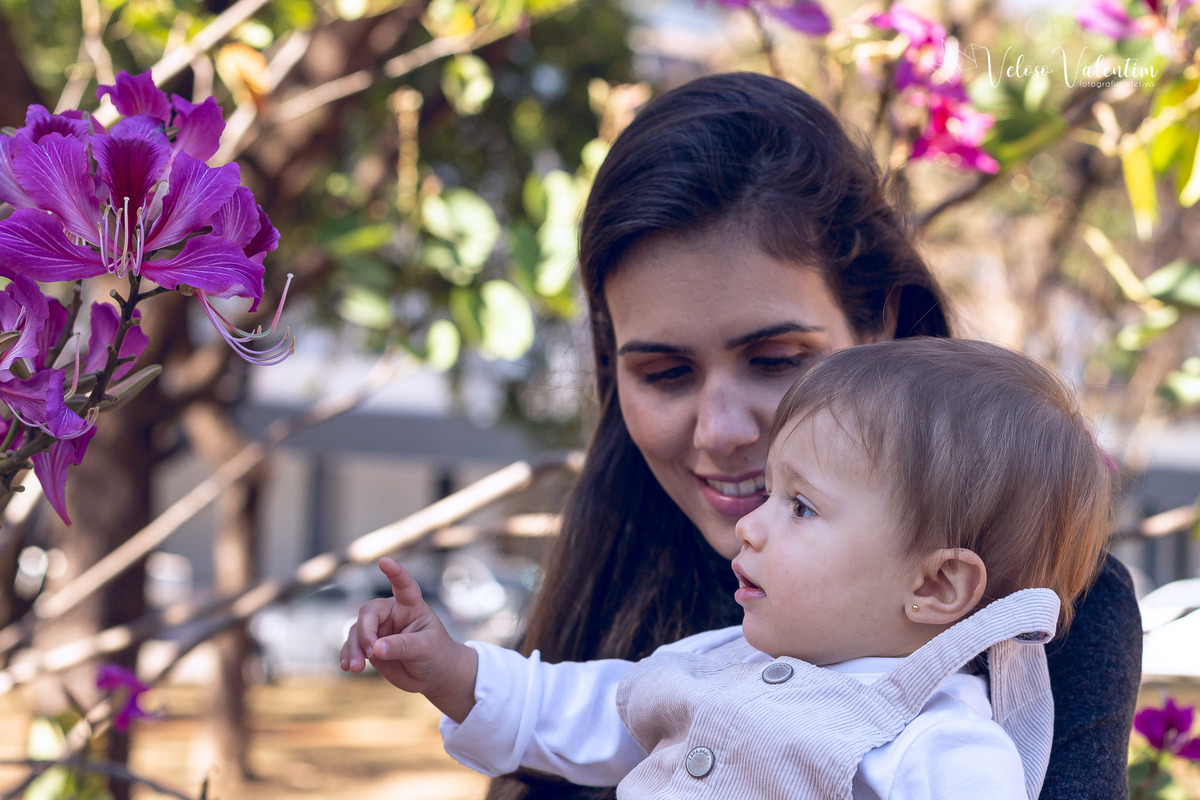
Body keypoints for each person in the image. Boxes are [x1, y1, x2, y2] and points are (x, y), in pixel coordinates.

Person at [340, 72, 1141, 799]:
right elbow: (569, 709)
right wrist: (449, 668)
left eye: (777, 359)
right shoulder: (621, 583)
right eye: (663, 373)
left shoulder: (1031, 635)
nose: (722, 432)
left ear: (883, 326)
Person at [341, 338, 1111, 799]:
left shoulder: (944, 748)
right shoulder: (717, 663)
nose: (751, 523)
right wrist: (447, 667)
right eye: (771, 494)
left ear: (937, 585)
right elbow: (578, 705)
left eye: (800, 507)